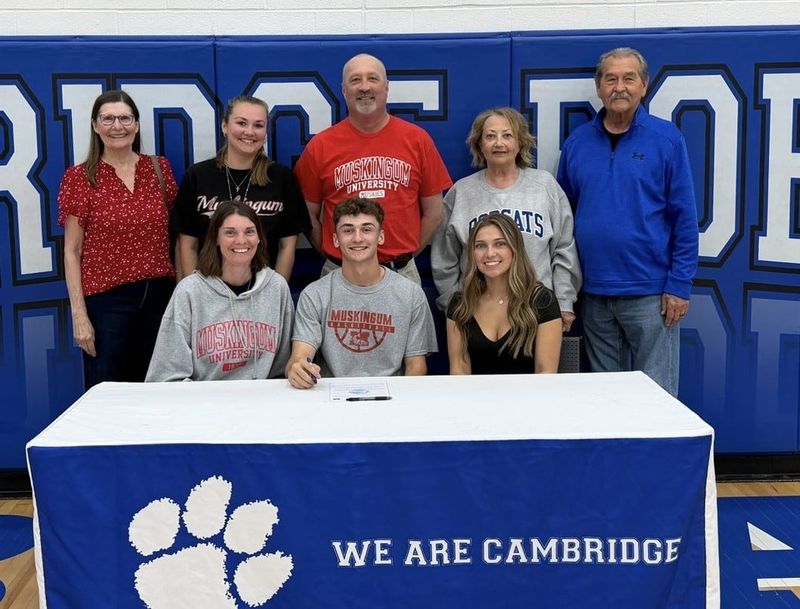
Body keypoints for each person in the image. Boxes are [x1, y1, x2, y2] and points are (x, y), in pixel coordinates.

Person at [556, 47, 699, 396]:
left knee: (658, 396)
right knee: (609, 398)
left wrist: (679, 285)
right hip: (594, 294)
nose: (619, 87)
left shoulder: (666, 140)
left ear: (644, 85)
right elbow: (563, 220)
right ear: (599, 87)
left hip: (652, 295)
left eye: (628, 79)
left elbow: (684, 218)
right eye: (611, 79)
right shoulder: (577, 143)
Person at [294, 53, 452, 284]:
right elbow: (306, 216)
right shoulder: (320, 146)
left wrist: (403, 257)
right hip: (341, 272)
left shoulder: (417, 140)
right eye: (355, 80)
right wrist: (336, 256)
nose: (364, 87)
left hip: (400, 272)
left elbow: (435, 213)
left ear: (386, 87)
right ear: (344, 90)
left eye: (372, 78)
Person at [58, 89, 178, 389]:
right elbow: (72, 251)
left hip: (158, 296)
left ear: (136, 125)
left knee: (159, 388)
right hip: (107, 304)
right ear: (95, 126)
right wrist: (79, 315)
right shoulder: (80, 178)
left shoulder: (159, 169)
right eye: (108, 119)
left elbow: (176, 236)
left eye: (125, 118)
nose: (117, 126)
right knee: (108, 393)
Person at [432, 107, 582, 332]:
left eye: (507, 135)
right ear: (479, 144)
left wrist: (563, 303)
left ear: (520, 143)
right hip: (478, 317)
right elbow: (444, 258)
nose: (499, 143)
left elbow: (564, 249)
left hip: (538, 312)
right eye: (490, 136)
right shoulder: (461, 192)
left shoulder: (545, 186)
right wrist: (455, 307)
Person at [286, 198, 437, 388]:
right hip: (331, 396)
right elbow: (299, 358)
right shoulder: (314, 295)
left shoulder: (411, 294)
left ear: (380, 236)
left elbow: (416, 367)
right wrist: (298, 370)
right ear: (335, 239)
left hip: (392, 396)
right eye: (348, 230)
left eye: (366, 229)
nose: (357, 238)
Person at [146, 201, 293, 382]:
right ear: (215, 238)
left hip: (261, 397)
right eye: (230, 232)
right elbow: (166, 376)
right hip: (204, 398)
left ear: (259, 238)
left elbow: (283, 371)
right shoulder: (189, 292)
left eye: (249, 232)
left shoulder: (277, 288)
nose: (241, 240)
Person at [172, 95, 310, 282]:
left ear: (265, 133)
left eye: (258, 125)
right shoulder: (198, 176)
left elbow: (287, 246)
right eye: (241, 123)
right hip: (208, 287)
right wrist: (195, 292)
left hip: (262, 287)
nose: (249, 132)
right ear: (225, 126)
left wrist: (275, 291)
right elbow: (188, 245)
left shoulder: (281, 177)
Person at [446, 214, 562, 375]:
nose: (489, 253)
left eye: (500, 244)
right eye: (480, 246)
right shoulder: (460, 303)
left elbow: (545, 373)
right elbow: (459, 370)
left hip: (529, 391)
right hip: (477, 392)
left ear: (515, 249)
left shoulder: (542, 301)